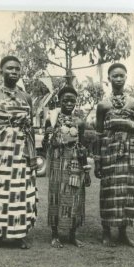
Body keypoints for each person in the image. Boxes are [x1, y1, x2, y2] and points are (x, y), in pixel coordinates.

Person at [0, 55, 38, 249]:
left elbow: (30, 129)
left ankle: (19, 235)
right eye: (10, 68)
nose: (14, 72)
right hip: (0, 153)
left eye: (17, 69)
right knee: (0, 192)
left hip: (21, 152)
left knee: (20, 192)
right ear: (1, 71)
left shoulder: (26, 98)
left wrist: (32, 155)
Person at [93, 63, 134, 247]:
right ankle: (106, 232)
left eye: (122, 75)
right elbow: (98, 134)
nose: (118, 79)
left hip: (129, 152)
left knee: (127, 191)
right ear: (109, 79)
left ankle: (123, 232)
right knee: (109, 191)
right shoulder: (103, 105)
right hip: (109, 152)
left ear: (126, 77)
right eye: (115, 76)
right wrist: (97, 161)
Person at [43, 85, 91, 248]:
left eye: (72, 100)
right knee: (56, 196)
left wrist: (86, 170)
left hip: (75, 163)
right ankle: (55, 235)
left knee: (75, 198)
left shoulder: (79, 122)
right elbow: (44, 143)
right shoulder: (52, 119)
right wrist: (50, 136)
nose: (69, 103)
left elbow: (83, 146)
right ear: (59, 101)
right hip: (57, 163)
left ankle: (72, 235)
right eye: (65, 100)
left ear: (76, 102)